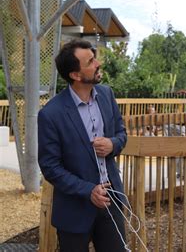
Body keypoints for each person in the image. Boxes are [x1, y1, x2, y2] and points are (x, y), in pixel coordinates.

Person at [38, 39, 127, 252]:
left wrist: (112, 144)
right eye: (90, 61)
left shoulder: (107, 94)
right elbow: (50, 166)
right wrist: (88, 190)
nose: (97, 64)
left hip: (111, 202)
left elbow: (122, 134)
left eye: (94, 58)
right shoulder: (50, 114)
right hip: (73, 210)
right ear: (76, 75)